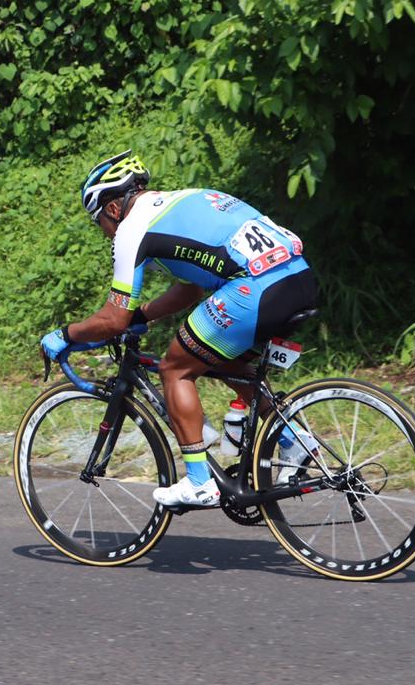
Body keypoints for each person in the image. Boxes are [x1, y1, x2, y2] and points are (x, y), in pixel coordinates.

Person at [40, 150, 318, 507]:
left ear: (111, 209)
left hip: (255, 289)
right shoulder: (182, 200)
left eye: (100, 224)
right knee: (218, 359)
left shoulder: (132, 230)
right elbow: (190, 288)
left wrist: (66, 335)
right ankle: (295, 441)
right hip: (299, 278)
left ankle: (200, 482)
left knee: (175, 369)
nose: (106, 234)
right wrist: (143, 315)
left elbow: (113, 319)